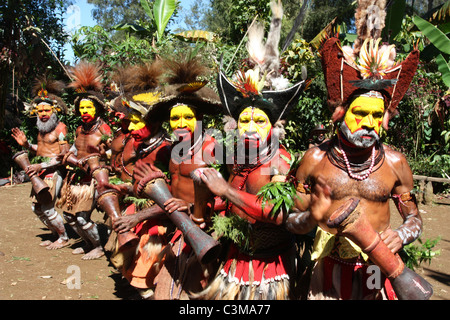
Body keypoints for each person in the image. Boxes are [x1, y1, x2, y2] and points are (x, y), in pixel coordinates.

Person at [285, 0, 423, 300]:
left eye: (376, 115)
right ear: (341, 113)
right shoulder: (314, 159)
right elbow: (290, 220)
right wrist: (310, 219)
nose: (368, 123)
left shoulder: (395, 162)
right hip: (326, 270)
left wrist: (401, 234)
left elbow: (414, 218)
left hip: (376, 269)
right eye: (360, 113)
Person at [191, 0, 307, 300]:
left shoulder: (280, 161)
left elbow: (280, 215)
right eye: (245, 119)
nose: (251, 126)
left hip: (269, 262)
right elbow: (229, 199)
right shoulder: (233, 159)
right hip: (234, 253)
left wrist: (225, 192)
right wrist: (206, 207)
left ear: (272, 126)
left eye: (259, 120)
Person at [123, 56, 224, 299]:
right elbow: (172, 191)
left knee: (198, 288)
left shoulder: (212, 149)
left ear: (199, 119)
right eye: (175, 118)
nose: (180, 123)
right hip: (176, 222)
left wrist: (193, 207)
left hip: (206, 228)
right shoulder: (173, 151)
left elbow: (227, 197)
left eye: (187, 117)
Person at [104, 61, 173, 299]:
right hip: (140, 215)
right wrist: (124, 188)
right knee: (133, 275)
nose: (130, 127)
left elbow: (172, 198)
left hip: (159, 223)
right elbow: (143, 187)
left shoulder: (167, 151)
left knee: (149, 280)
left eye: (136, 122)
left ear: (152, 124)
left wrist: (138, 216)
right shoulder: (143, 147)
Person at [57, 61, 112, 260]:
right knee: (69, 217)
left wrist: (99, 160)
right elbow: (73, 148)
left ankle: (98, 245)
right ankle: (88, 242)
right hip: (75, 178)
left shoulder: (103, 129)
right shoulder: (80, 129)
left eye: (88, 107)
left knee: (82, 217)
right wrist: (68, 155)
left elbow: (111, 153)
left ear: (97, 108)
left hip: (92, 179)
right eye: (81, 108)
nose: (84, 111)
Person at [11, 75, 70, 250]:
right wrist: (27, 145)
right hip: (41, 173)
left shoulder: (60, 128)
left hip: (53, 172)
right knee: (36, 208)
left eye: (46, 111)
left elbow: (63, 155)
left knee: (48, 209)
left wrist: (41, 166)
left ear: (54, 111)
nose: (43, 114)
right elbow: (43, 150)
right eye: (40, 111)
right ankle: (55, 233)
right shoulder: (41, 129)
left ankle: (63, 237)